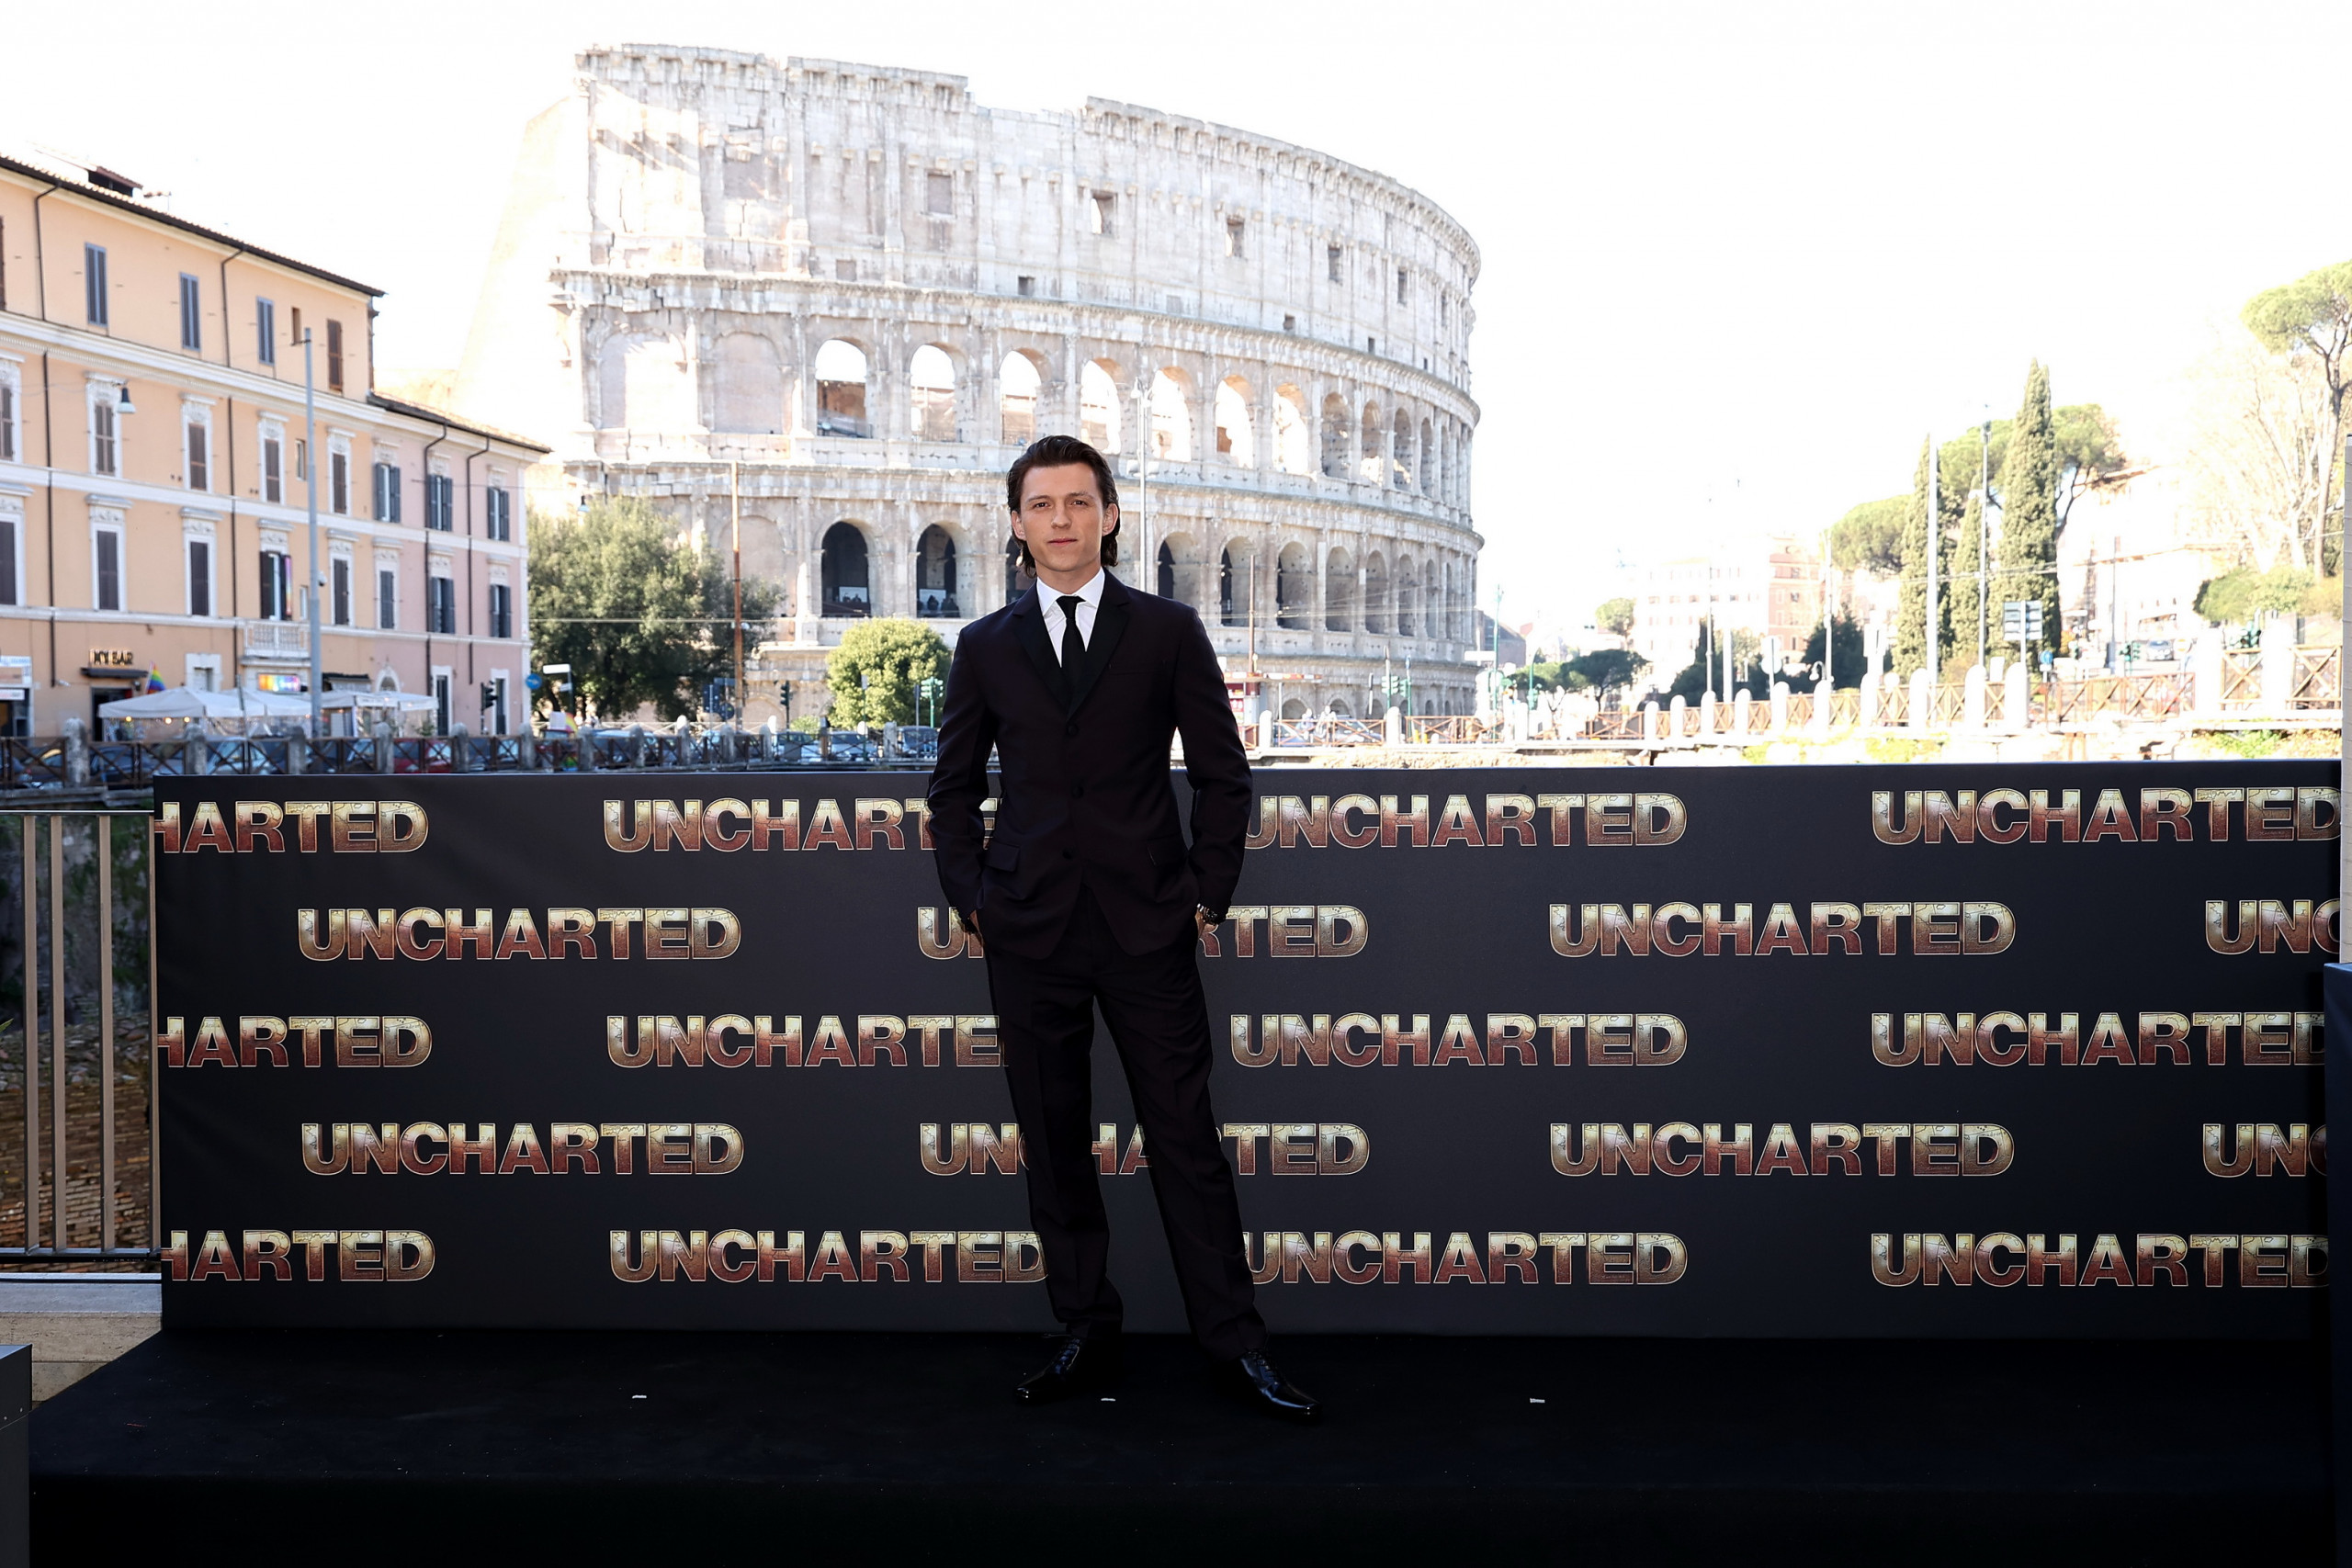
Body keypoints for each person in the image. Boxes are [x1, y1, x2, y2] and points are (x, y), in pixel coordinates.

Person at [925, 434, 1317, 1423]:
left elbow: (1225, 779)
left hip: (1148, 927)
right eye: (1041, 503)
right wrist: (975, 898)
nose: (1060, 519)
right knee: (1053, 1146)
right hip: (1027, 932)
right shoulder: (981, 646)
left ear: (1109, 514)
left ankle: (1234, 1344)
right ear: (1015, 522)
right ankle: (1083, 1329)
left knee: (1185, 1140)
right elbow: (952, 790)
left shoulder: (1169, 631)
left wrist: (1204, 894)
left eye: (1078, 501)